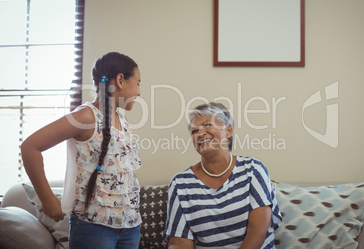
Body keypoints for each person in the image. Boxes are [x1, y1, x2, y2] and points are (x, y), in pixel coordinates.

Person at [21, 52, 143, 249]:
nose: (139, 91)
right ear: (121, 80)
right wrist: (47, 197)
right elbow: (30, 147)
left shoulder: (122, 119)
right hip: (94, 227)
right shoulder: (85, 116)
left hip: (130, 226)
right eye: (138, 83)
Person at [163, 102, 282, 249]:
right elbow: (179, 243)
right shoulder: (180, 184)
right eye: (194, 131)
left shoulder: (253, 169)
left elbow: (257, 230)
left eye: (207, 125)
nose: (200, 133)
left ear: (228, 130)